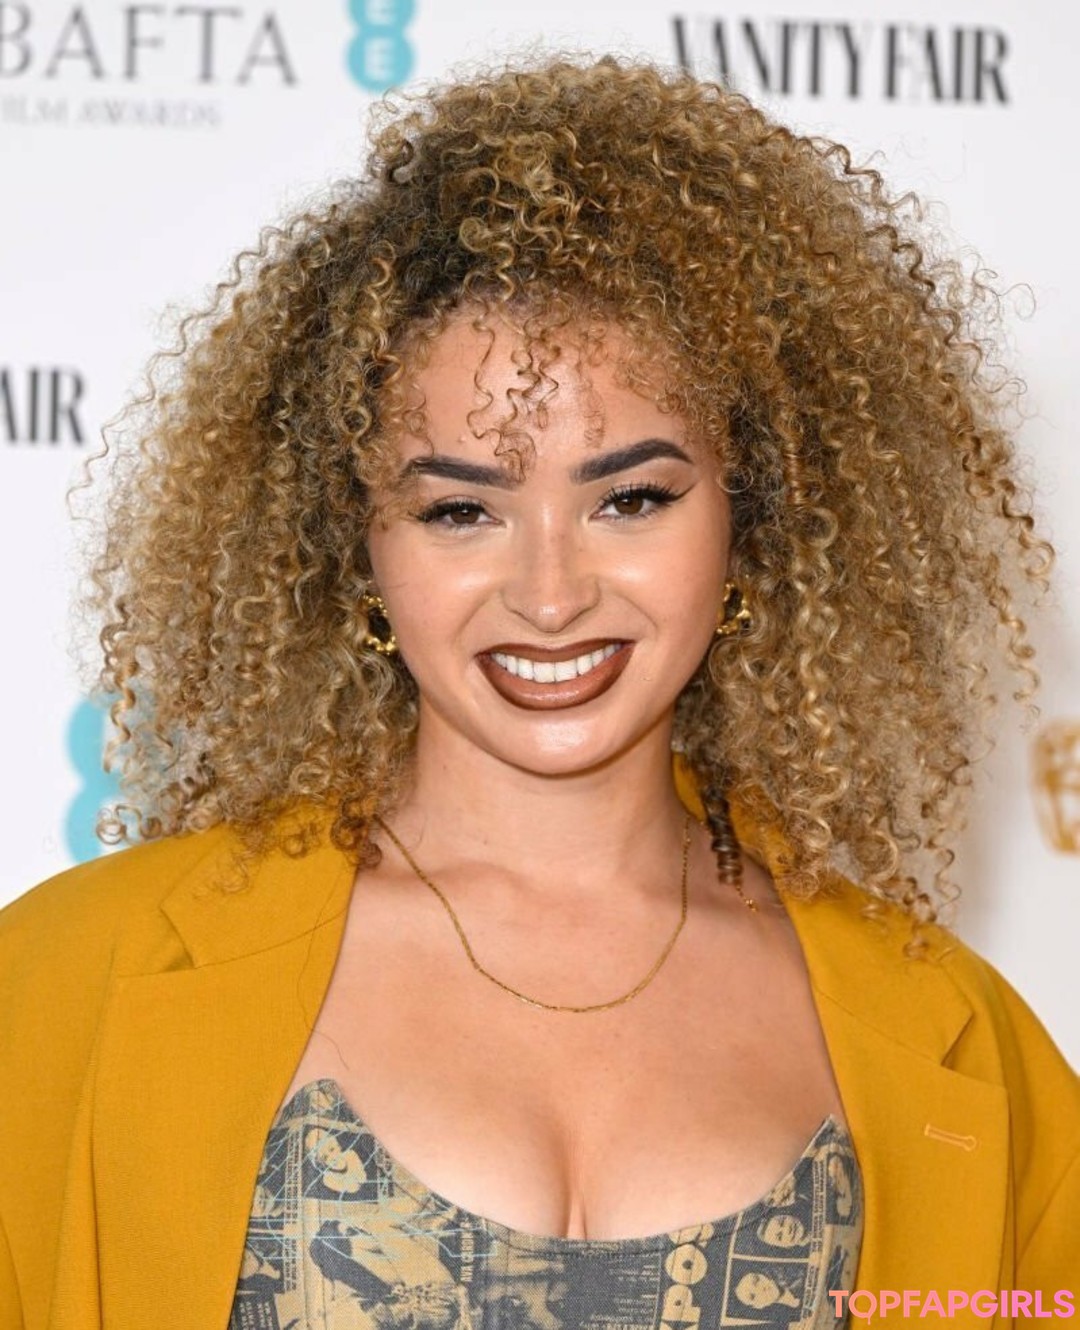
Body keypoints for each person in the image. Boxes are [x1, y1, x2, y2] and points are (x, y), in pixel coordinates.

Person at [1, 53, 1077, 1330]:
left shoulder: (963, 1043)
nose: (551, 593)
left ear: (755, 519)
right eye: (461, 510)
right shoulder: (61, 986)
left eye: (632, 498)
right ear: (356, 547)